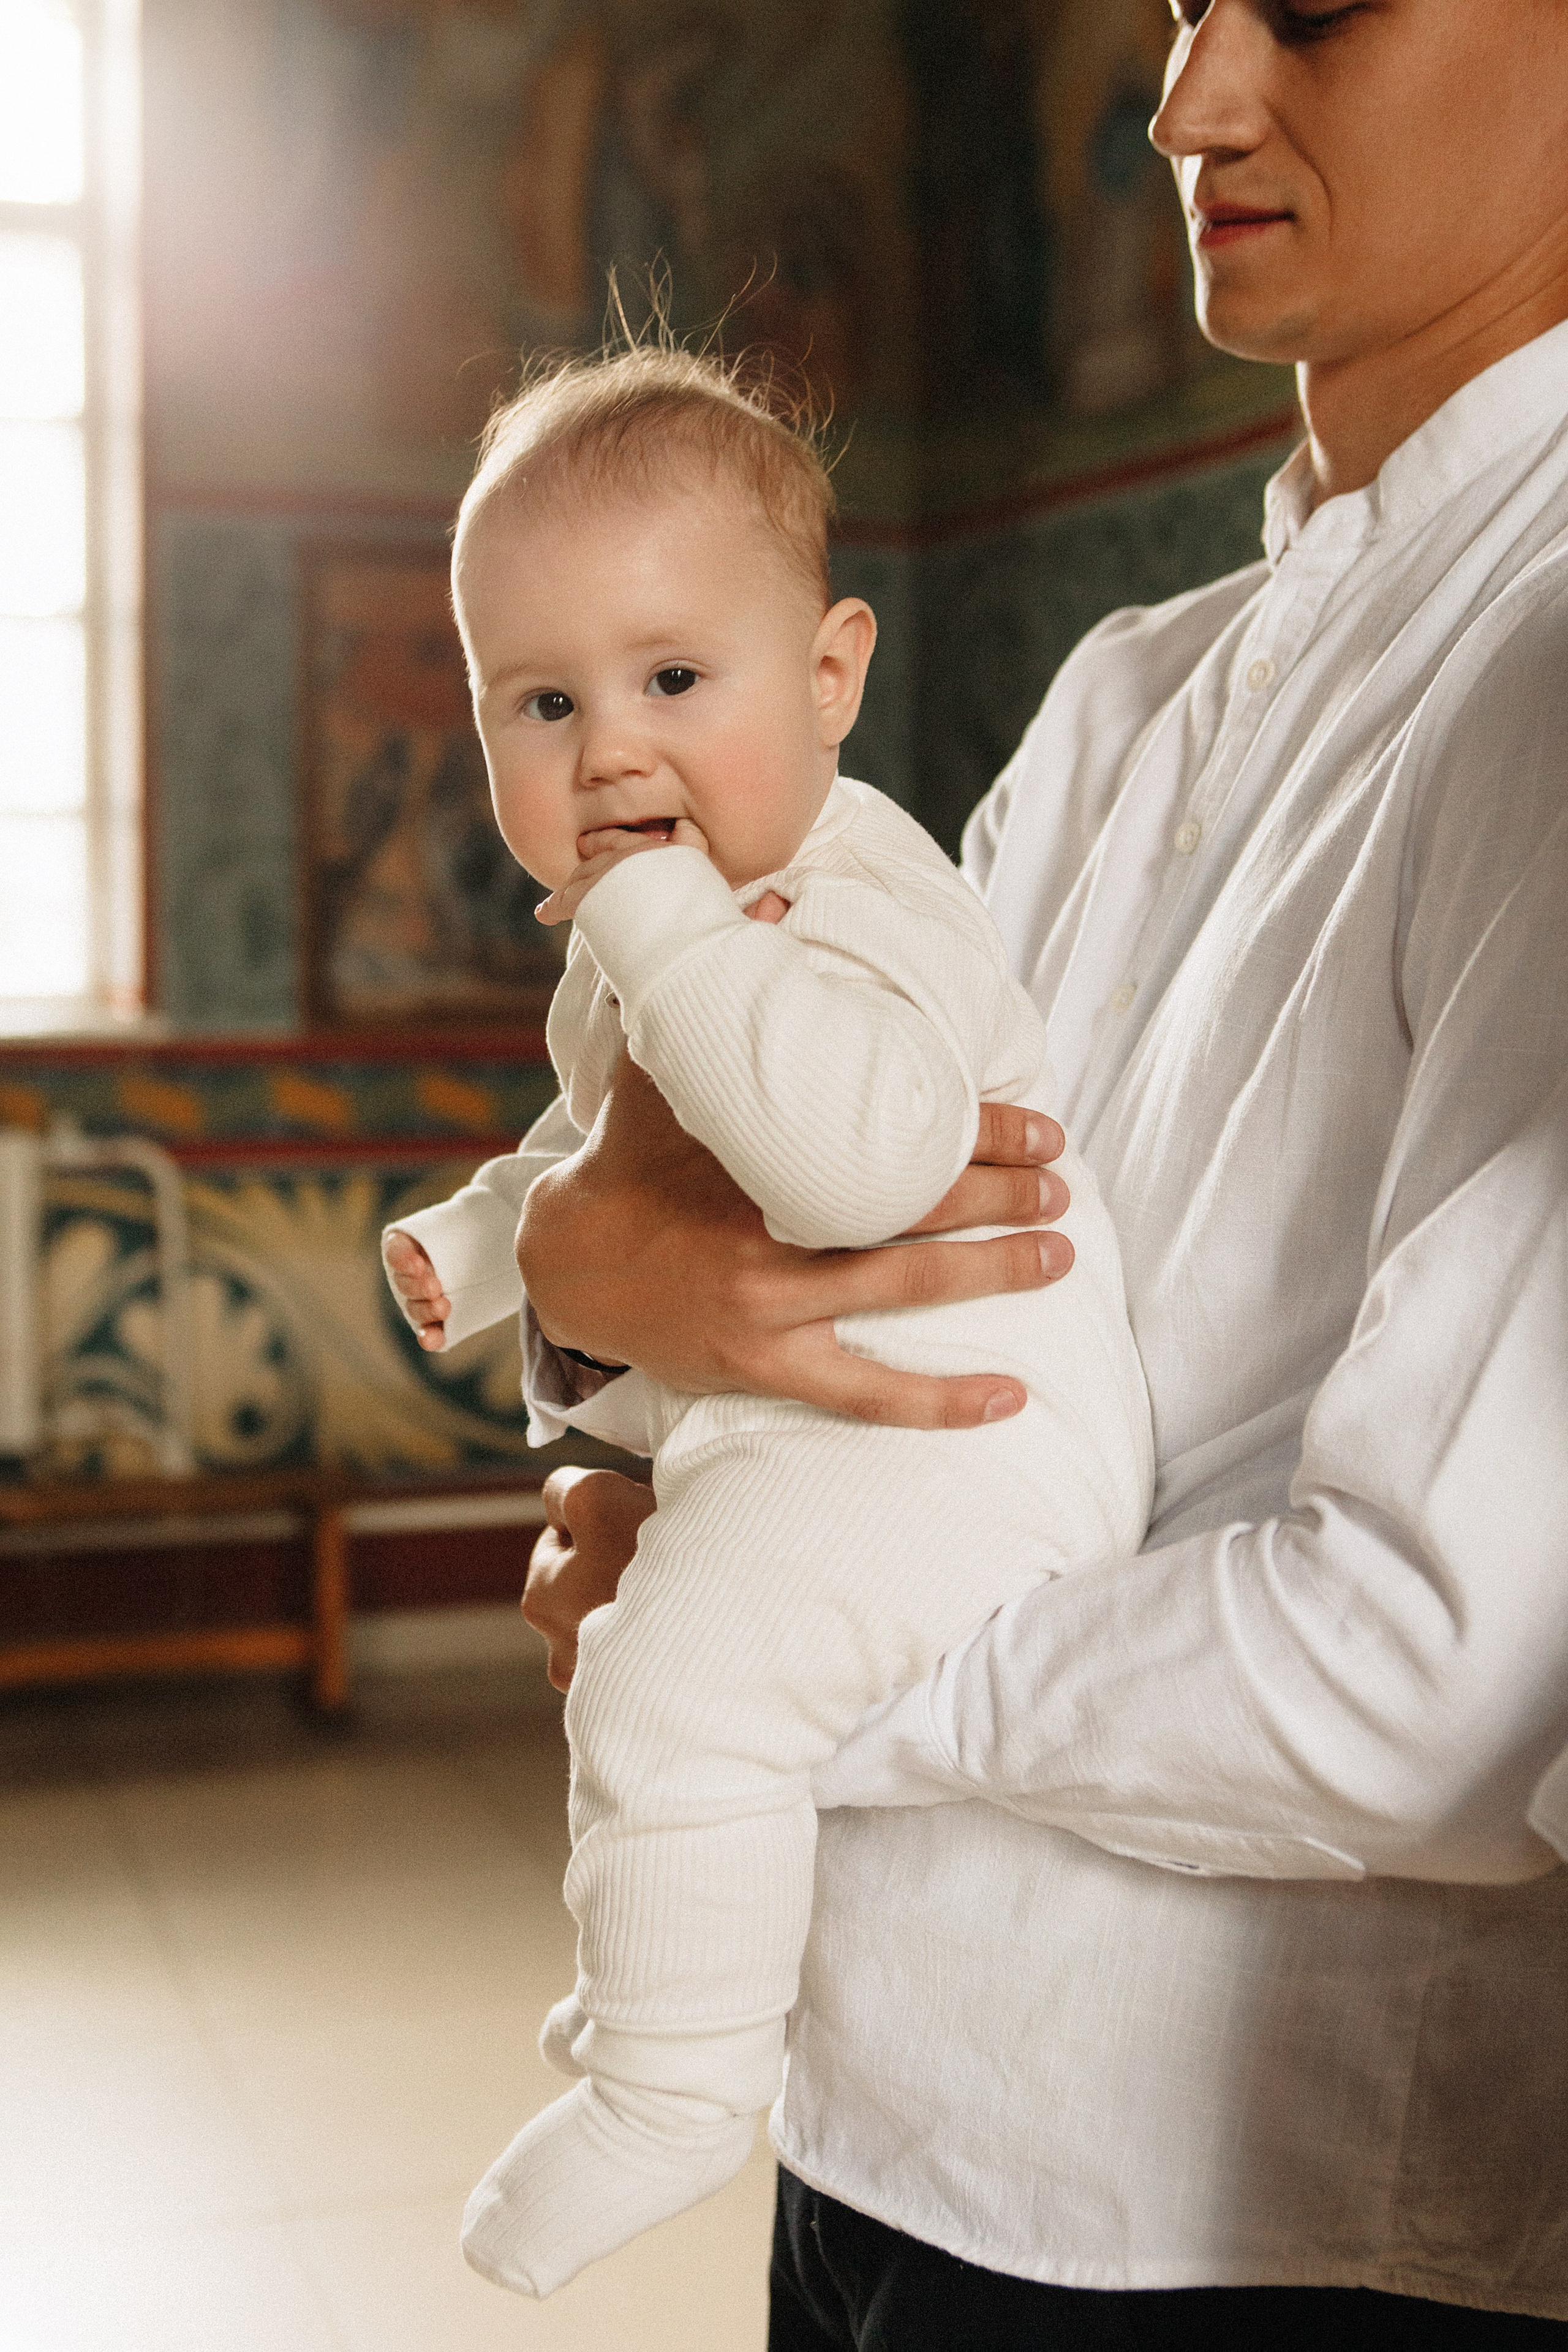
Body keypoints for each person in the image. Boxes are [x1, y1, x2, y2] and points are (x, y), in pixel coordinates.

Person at [399, 0, 1568, 2339]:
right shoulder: (1131, 692)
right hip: (863, 2120)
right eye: (1175, 3)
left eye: (1316, 2)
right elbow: (779, 1224)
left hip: (1234, 2215)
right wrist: (599, 1336)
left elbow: (1442, 1678)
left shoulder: (1538, 669)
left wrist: (739, 1657)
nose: (1187, 96)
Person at [386, 344, 1154, 2299]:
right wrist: (494, 1250)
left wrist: (660, 933)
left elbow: (841, 1171)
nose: (611, 753)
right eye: (543, 703)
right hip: (830, 1433)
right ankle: (670, 1974)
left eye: (670, 682)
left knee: (672, 1695)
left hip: (957, 1450)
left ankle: (672, 2089)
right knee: (651, 1676)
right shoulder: (681, 923)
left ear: (827, 679)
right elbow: (601, 1162)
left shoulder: (844, 893)